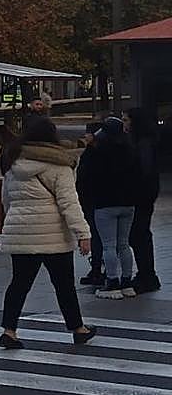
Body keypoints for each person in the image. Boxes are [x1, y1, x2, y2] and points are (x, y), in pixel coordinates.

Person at [0, 116, 97, 349]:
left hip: (21, 231)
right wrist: (83, 233)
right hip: (52, 234)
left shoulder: (13, 161)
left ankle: (9, 330)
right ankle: (78, 328)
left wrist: (14, 223)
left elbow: (6, 200)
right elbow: (69, 202)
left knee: (19, 284)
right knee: (63, 285)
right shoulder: (59, 164)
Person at [78, 116, 139, 299]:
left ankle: (112, 283)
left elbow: (85, 176)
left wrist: (90, 146)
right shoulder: (130, 150)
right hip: (128, 203)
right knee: (124, 244)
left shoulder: (98, 152)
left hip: (104, 203)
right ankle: (127, 282)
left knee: (108, 246)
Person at [126, 107, 161, 294]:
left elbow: (143, 170)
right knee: (140, 234)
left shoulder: (142, 144)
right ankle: (146, 273)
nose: (125, 124)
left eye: (126, 120)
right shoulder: (145, 141)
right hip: (146, 193)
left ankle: (147, 274)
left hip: (141, 195)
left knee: (139, 234)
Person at [76, 122, 105, 286]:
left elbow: (85, 177)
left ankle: (97, 269)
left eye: (88, 133)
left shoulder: (93, 153)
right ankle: (100, 268)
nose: (85, 136)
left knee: (97, 236)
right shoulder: (97, 151)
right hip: (94, 200)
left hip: (92, 200)